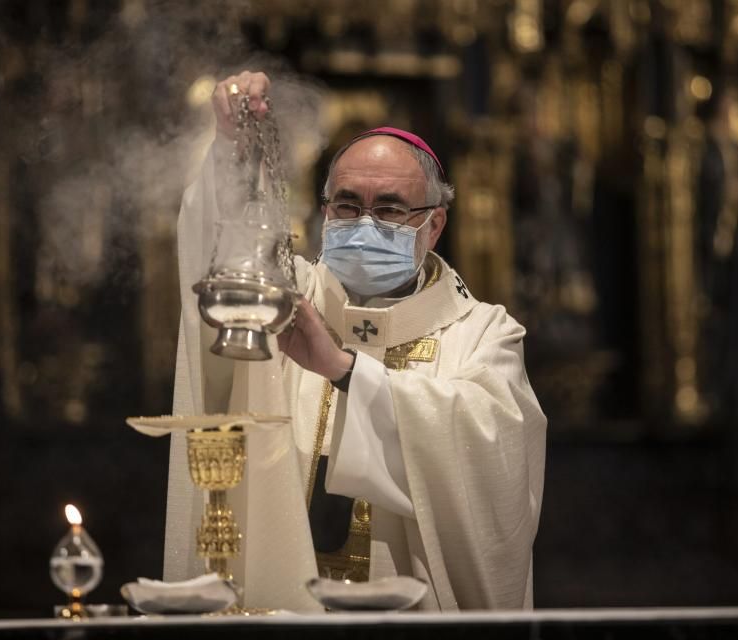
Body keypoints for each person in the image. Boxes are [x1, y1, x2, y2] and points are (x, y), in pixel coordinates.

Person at [165, 70, 546, 612]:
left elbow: (496, 461)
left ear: (433, 226)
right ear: (324, 212)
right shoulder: (285, 300)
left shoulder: (483, 333)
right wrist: (231, 150)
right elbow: (213, 267)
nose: (364, 223)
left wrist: (346, 370)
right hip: (284, 613)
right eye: (346, 205)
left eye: (390, 209)